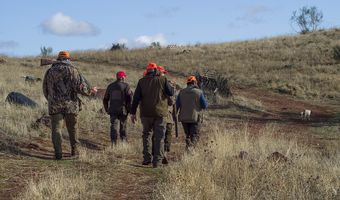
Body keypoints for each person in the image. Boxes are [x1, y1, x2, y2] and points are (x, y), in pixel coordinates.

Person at [43, 51, 97, 160]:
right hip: (71, 105)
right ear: (68, 59)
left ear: (58, 59)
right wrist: (92, 91)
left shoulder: (49, 71)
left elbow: (45, 89)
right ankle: (74, 152)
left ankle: (58, 154)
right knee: (73, 129)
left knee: (56, 129)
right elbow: (81, 88)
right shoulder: (73, 70)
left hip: (55, 105)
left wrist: (51, 99)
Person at [130, 63, 174, 168]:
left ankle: (146, 159)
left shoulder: (141, 82)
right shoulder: (162, 80)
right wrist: (165, 79)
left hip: (145, 114)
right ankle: (157, 162)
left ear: (147, 71)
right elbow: (171, 92)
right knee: (159, 137)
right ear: (156, 71)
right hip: (160, 114)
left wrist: (132, 113)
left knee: (146, 135)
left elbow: (136, 99)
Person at [176, 76, 208, 149]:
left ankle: (188, 146)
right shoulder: (199, 92)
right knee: (194, 135)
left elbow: (176, 106)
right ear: (194, 82)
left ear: (188, 83)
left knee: (188, 135)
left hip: (184, 119)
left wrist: (174, 116)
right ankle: (191, 151)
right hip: (195, 118)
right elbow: (205, 106)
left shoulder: (181, 92)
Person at [103, 71, 133, 145]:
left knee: (113, 126)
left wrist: (107, 109)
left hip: (113, 109)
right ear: (122, 77)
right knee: (123, 126)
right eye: (124, 76)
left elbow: (105, 99)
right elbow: (130, 99)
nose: (125, 78)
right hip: (123, 110)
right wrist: (129, 109)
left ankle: (114, 143)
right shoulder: (126, 86)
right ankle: (123, 142)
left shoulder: (110, 86)